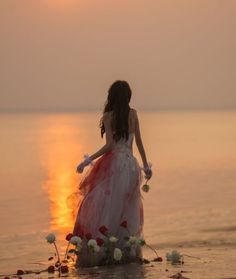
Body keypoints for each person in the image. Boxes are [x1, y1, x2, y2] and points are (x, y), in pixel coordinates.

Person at [72, 80, 152, 267]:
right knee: (127, 207)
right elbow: (139, 142)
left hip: (115, 164)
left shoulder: (108, 116)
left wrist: (87, 160)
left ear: (111, 96)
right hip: (131, 166)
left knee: (108, 206)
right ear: (128, 95)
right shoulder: (133, 114)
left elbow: (109, 146)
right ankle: (125, 251)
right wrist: (146, 166)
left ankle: (105, 250)